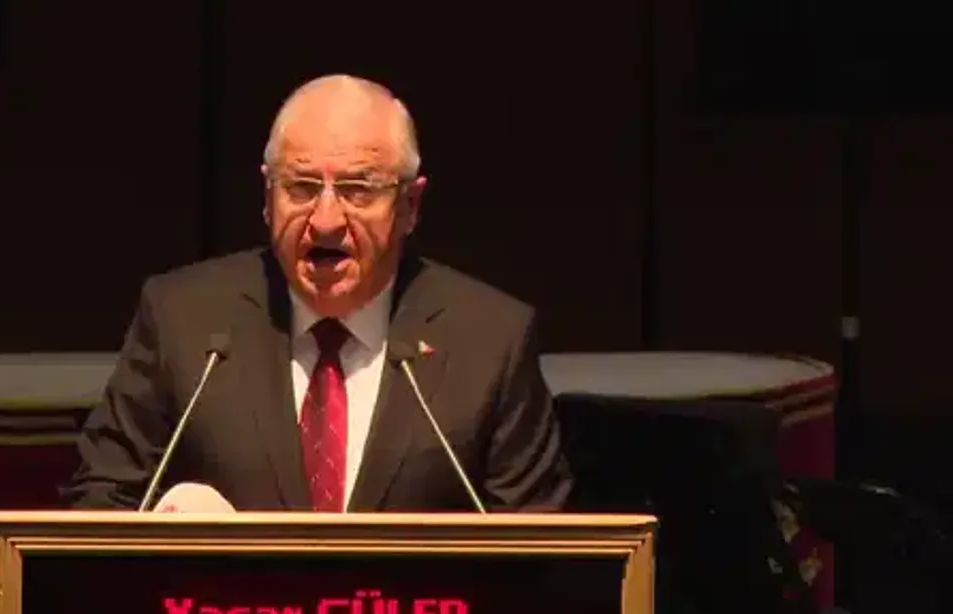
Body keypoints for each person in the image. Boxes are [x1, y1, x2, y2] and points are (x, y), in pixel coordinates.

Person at [64, 74, 573, 512]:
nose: (326, 220)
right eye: (301, 187)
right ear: (268, 198)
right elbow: (101, 501)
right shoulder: (183, 319)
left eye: (358, 190)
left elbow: (541, 551)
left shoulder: (490, 341)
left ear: (410, 206)